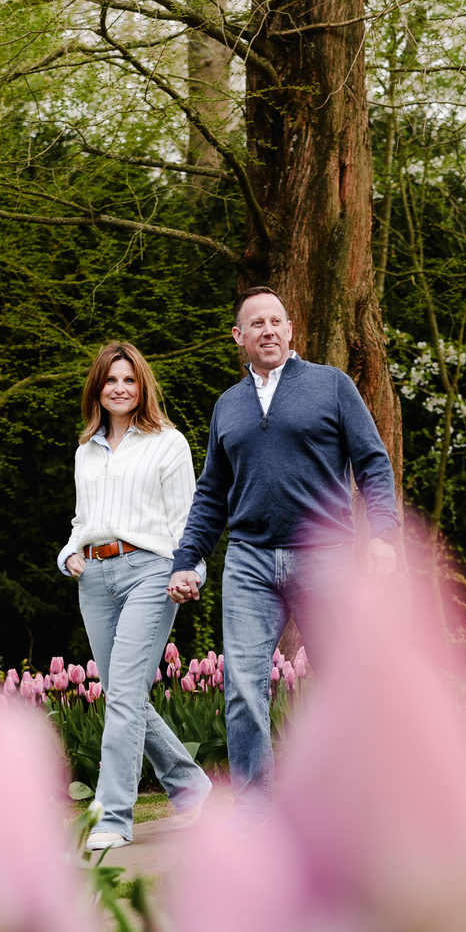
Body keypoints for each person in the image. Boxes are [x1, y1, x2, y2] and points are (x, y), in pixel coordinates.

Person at [167, 286, 399, 811]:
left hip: (327, 554)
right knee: (244, 689)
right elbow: (210, 494)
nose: (268, 330)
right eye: (256, 323)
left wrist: (384, 535)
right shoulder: (227, 406)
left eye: (277, 321)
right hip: (249, 560)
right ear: (239, 336)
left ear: (290, 330)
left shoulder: (331, 386)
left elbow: (373, 464)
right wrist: (187, 560)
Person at [59, 341, 212, 850]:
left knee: (123, 694)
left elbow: (189, 519)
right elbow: (84, 520)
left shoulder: (167, 442)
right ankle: (192, 789)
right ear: (97, 389)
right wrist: (70, 554)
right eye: (110, 381)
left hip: (152, 571)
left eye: (128, 380)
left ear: (142, 386)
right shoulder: (86, 449)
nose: (120, 388)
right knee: (124, 694)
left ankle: (112, 817)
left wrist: (191, 571)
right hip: (96, 579)